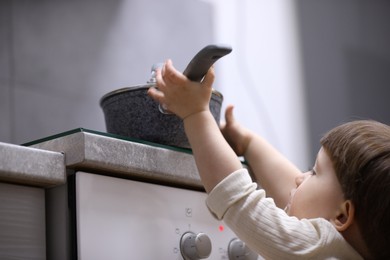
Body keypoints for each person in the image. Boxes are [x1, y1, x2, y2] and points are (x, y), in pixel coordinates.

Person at [147, 59, 390, 259]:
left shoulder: (321, 248)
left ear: (342, 216)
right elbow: (296, 200)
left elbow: (241, 200)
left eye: (314, 172)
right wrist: (249, 144)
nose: (298, 177)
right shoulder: (336, 251)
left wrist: (196, 113)